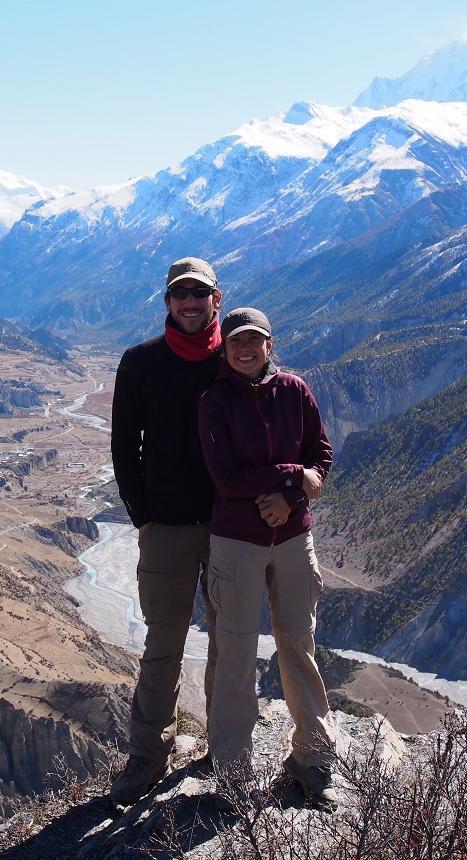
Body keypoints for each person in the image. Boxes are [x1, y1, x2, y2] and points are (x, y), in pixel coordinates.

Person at [197, 306, 338, 811]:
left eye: (254, 340)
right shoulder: (213, 402)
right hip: (236, 543)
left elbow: (319, 457)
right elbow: (227, 479)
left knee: (298, 644)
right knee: (235, 651)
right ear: (225, 347)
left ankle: (313, 758)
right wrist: (288, 476)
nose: (245, 348)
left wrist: (292, 498)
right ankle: (233, 770)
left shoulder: (295, 392)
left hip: (294, 539)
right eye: (236, 341)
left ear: (270, 344)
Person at [107, 257, 224, 807]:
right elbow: (123, 444)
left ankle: (226, 747)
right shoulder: (140, 363)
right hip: (167, 528)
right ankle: (150, 756)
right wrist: (142, 516)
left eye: (199, 294)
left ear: (215, 299)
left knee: (232, 639)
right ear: (168, 302)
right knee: (163, 645)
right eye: (181, 294)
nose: (190, 303)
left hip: (232, 528)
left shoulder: (238, 356)